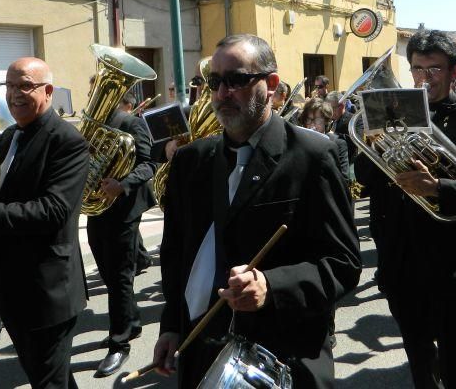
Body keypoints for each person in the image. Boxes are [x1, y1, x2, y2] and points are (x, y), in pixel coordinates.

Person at [152, 34, 360, 388]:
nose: (221, 93)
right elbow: (175, 255)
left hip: (285, 352)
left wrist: (271, 285)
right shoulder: (191, 160)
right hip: (202, 348)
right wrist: (171, 324)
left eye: (236, 80)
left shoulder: (312, 155)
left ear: (272, 84)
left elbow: (343, 264)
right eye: (214, 82)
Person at [360, 30, 456, 389]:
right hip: (400, 258)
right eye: (417, 69)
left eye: (434, 70)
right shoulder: (390, 115)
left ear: (454, 71)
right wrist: (370, 144)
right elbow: (366, 180)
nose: (423, 78)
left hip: (453, 261)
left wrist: (439, 187)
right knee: (418, 360)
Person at [0, 57, 90, 389]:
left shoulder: (67, 141)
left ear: (48, 91)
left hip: (46, 292)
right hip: (11, 286)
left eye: (24, 85)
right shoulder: (9, 136)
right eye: (9, 86)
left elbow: (52, 211)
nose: (14, 94)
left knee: (48, 380)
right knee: (53, 378)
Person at [87, 91, 157, 377]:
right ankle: (132, 322)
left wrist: (122, 183)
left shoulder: (132, 122)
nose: (94, 96)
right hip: (98, 205)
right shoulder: (94, 124)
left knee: (119, 274)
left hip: (124, 207)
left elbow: (149, 163)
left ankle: (119, 343)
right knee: (107, 269)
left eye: (98, 91)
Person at [298, 97, 349, 180]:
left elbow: (344, 179)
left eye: (317, 120)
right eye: (309, 120)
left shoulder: (338, 143)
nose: (312, 125)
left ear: (326, 121)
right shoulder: (299, 141)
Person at [326, 91, 355, 165]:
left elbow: (355, 140)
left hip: (348, 162)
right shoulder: (329, 120)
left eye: (332, 108)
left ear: (341, 106)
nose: (329, 111)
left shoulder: (353, 120)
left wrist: (334, 135)